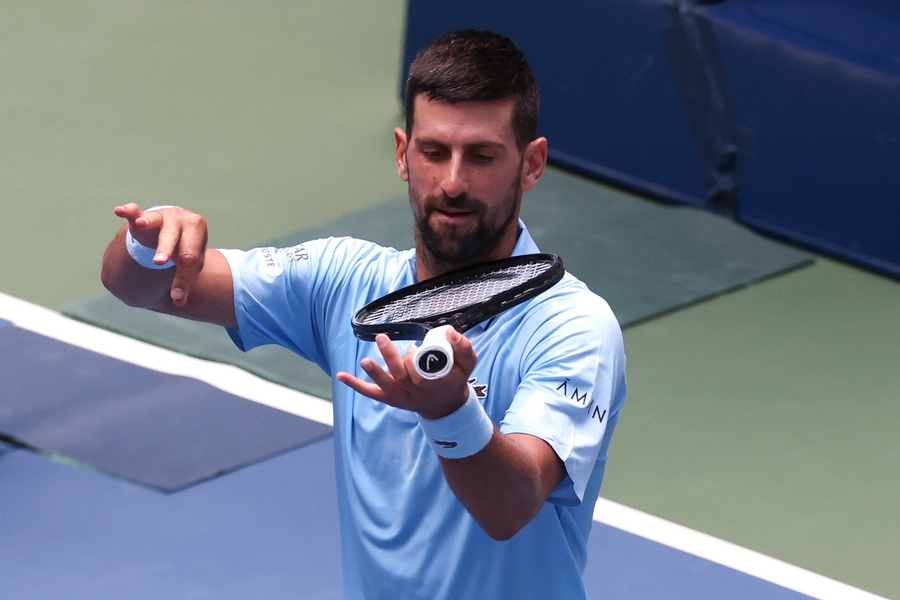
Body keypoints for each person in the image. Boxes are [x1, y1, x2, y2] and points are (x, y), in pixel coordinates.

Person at [101, 28, 626, 600]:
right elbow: (144, 288)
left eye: (481, 156)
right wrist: (150, 241)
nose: (453, 182)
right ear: (403, 154)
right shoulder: (343, 280)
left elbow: (510, 506)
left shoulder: (573, 327)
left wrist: (449, 411)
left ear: (531, 164)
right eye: (433, 152)